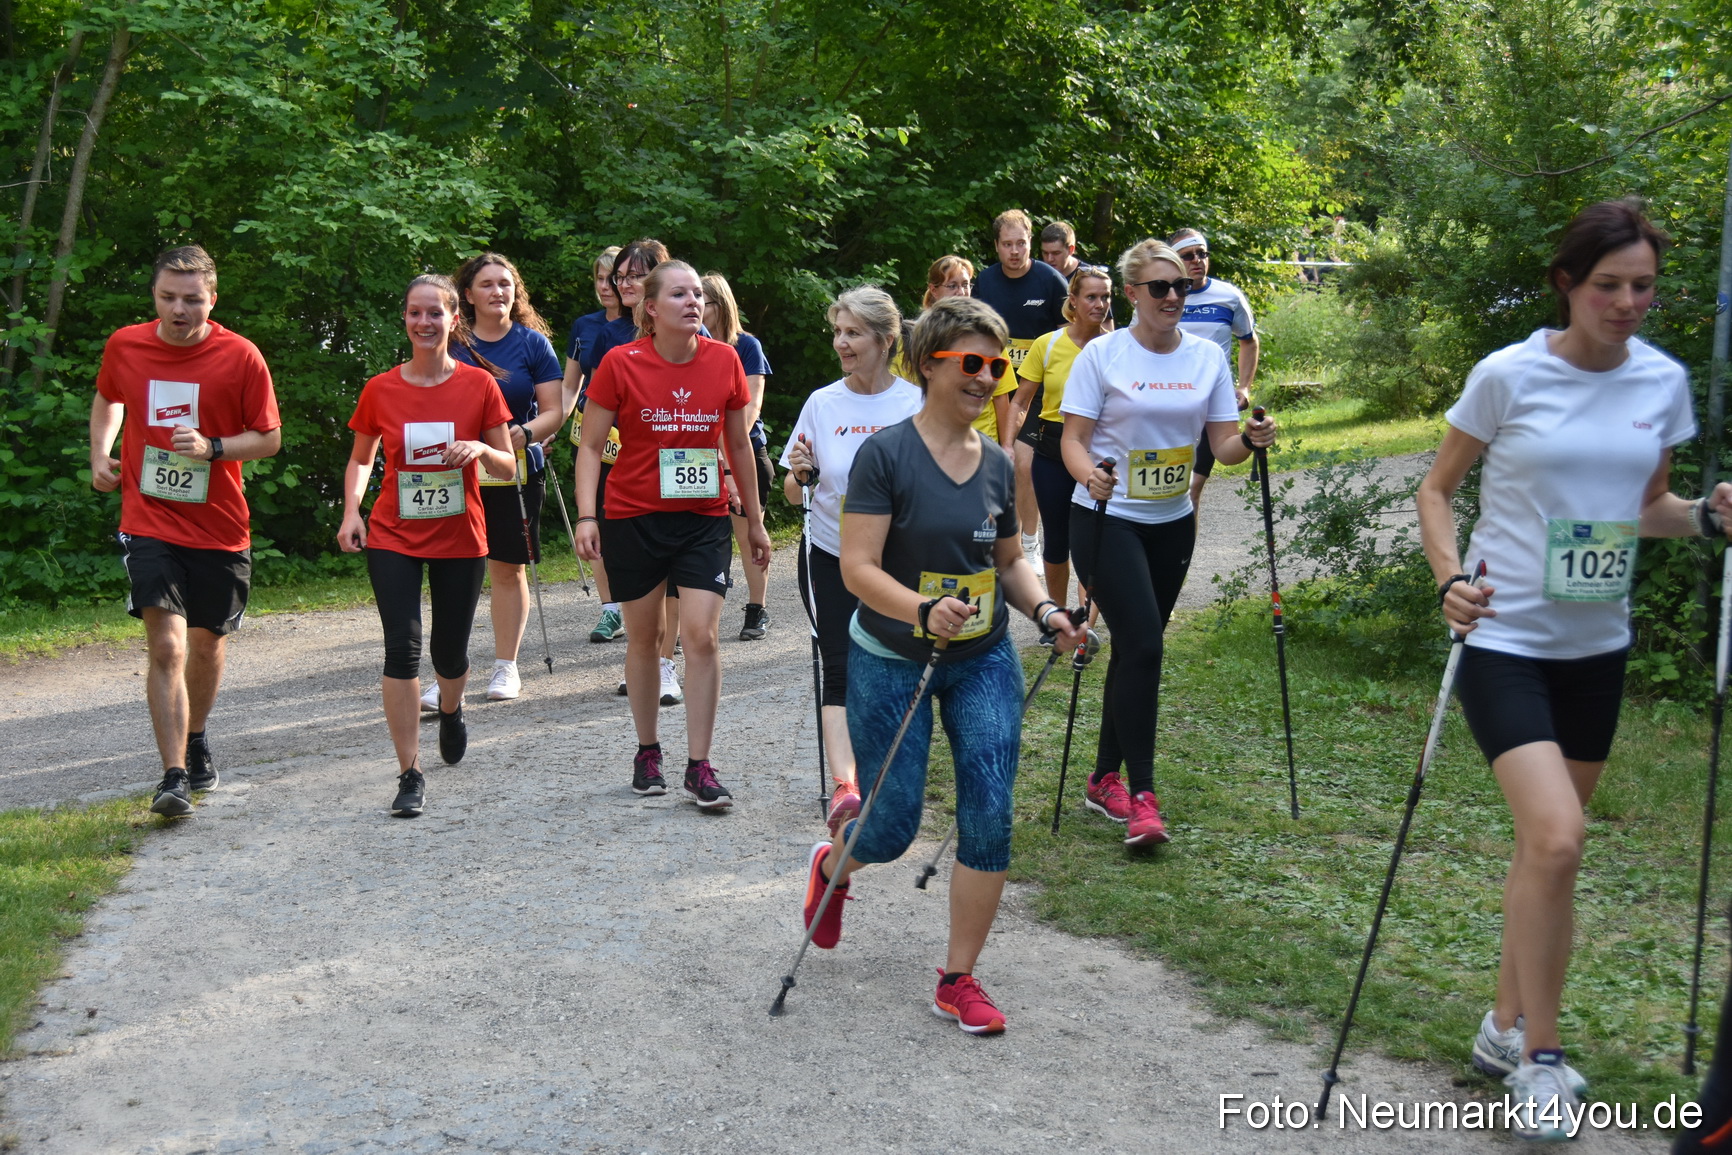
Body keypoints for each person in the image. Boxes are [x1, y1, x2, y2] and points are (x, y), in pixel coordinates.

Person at [1415, 199, 1727, 1141]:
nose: (1628, 302)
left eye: (1643, 286)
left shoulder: (1663, 383)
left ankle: (1501, 1026)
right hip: (1504, 641)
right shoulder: (1507, 376)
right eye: (1609, 285)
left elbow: (1645, 508)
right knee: (1556, 841)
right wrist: (1447, 582)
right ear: (1568, 283)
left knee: (1544, 853)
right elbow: (1437, 488)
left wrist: (1708, 516)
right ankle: (1544, 1060)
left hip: (1598, 648)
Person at [799, 296, 1084, 1034]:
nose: (988, 378)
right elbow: (858, 568)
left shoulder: (995, 462)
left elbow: (1011, 561)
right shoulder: (886, 454)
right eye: (972, 363)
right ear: (930, 364)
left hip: (982, 657)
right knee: (889, 828)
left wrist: (1047, 611)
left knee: (989, 807)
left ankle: (958, 978)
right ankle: (832, 868)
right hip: (893, 655)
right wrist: (921, 611)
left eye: (998, 365)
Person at [1059, 238, 1275, 845]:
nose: (1174, 296)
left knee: (1132, 647)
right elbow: (1072, 441)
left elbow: (1224, 447)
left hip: (1172, 519)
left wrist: (1253, 439)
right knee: (1147, 645)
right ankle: (1145, 796)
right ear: (1132, 294)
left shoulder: (1206, 360)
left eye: (1180, 286)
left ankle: (1103, 778)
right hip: (1106, 517)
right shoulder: (1103, 356)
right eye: (1160, 287)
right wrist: (1087, 473)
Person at [88, 244, 282, 818]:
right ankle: (172, 775)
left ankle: (196, 736)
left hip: (219, 525)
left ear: (212, 300)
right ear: (154, 297)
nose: (179, 310)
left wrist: (213, 448)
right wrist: (100, 452)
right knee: (167, 645)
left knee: (205, 643)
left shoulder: (241, 357)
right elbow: (108, 397)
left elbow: (268, 438)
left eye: (192, 300)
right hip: (148, 518)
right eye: (168, 298)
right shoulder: (126, 345)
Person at [573, 260, 770, 810]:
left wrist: (754, 520)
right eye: (679, 294)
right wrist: (588, 517)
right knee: (643, 638)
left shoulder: (725, 360)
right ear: (650, 310)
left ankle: (700, 766)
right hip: (632, 516)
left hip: (702, 518)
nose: (693, 302)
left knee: (702, 636)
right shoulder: (619, 362)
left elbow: (738, 447)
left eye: (698, 295)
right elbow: (591, 446)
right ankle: (647, 750)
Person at [338, 274, 516, 817]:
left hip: (461, 535)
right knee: (402, 649)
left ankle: (454, 708)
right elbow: (363, 457)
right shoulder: (380, 388)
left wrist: (480, 449)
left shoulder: (480, 386)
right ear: (405, 319)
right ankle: (409, 772)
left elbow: (509, 466)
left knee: (450, 654)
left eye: (434, 314)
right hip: (393, 532)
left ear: (453, 318)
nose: (423, 323)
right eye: (414, 313)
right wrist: (351, 511)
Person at [779, 286, 923, 833]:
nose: (841, 342)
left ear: (885, 341)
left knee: (897, 661)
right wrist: (799, 472)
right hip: (832, 554)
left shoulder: (915, 404)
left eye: (853, 333)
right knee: (837, 665)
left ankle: (889, 768)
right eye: (838, 332)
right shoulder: (823, 403)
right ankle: (847, 784)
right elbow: (795, 494)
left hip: (900, 560)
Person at [407, 252, 564, 706]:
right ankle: (449, 672)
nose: (499, 292)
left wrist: (525, 434)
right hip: (455, 471)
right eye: (488, 284)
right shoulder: (449, 341)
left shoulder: (533, 344)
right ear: (468, 295)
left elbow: (555, 409)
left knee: (508, 567)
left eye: (506, 284)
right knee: (453, 568)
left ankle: (506, 666)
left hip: (513, 467)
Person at [1010, 264, 1114, 611]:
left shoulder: (1118, 347)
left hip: (1099, 451)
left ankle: (1085, 620)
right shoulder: (1049, 344)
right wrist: (1008, 446)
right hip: (1053, 449)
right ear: (1073, 300)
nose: (1099, 305)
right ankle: (1057, 617)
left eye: (1105, 297)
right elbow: (1021, 401)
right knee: (1056, 540)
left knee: (1094, 539)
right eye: (1091, 297)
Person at [973, 209, 1070, 556]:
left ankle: (1030, 543)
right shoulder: (984, 283)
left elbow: (1068, 338)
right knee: (987, 463)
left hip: (1036, 390)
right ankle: (988, 540)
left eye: (1021, 243)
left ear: (1030, 243)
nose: (1015, 251)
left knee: (1024, 464)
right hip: (992, 386)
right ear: (997, 247)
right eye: (1007, 244)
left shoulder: (1051, 282)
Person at [700, 271, 777, 642]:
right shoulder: (688, 347)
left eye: (704, 301)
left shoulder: (746, 346)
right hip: (698, 458)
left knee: (748, 534)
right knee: (697, 539)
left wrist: (725, 460)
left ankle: (756, 607)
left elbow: (749, 412)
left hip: (741, 453)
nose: (696, 307)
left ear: (721, 305)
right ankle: (690, 616)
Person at [561, 246, 629, 645]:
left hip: (636, 436)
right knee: (597, 520)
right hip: (593, 437)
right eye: (599, 279)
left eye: (612, 279)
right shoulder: (584, 326)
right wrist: (556, 423)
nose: (605, 287)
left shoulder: (647, 323)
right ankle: (610, 610)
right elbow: (572, 384)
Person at [1168, 229, 1259, 515]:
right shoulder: (1162, 296)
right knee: (1168, 490)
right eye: (1188, 256)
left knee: (1191, 488)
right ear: (1174, 260)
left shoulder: (1228, 296)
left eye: (1202, 254)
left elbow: (1249, 341)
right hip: (1166, 403)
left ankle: (1182, 560)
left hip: (1210, 404)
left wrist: (1244, 387)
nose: (1197, 260)